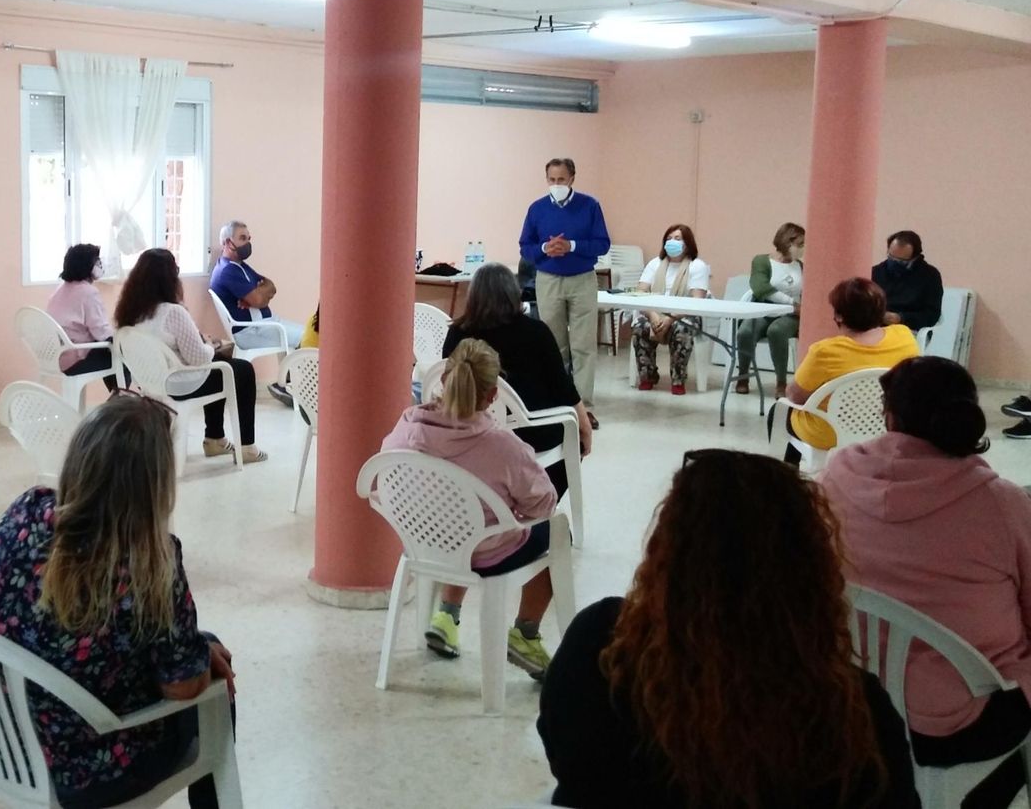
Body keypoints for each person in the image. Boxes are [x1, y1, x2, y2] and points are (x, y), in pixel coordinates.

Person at [538, 449, 919, 809]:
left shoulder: (598, 651)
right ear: (810, 571)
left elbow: (566, 762)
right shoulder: (856, 718)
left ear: (666, 551)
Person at [0, 394, 236, 808]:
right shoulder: (150, 563)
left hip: (0, 736)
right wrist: (200, 656)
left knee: (195, 646)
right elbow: (183, 688)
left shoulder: (26, 510)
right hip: (84, 771)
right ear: (155, 485)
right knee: (209, 673)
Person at [824, 357, 1031, 809]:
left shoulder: (836, 476)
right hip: (960, 722)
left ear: (889, 416)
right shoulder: (1003, 505)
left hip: (845, 704)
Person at [383, 339, 563, 679]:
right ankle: (525, 635)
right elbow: (544, 504)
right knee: (554, 532)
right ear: (493, 395)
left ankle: (447, 615)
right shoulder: (502, 447)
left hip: (423, 543)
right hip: (482, 551)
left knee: (467, 521)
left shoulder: (407, 425)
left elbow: (382, 480)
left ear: (444, 380)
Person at [442, 262, 592, 496]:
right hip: (532, 434)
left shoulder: (457, 334)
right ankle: (538, 509)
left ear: (473, 296)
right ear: (514, 293)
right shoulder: (536, 332)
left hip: (470, 433)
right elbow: (563, 387)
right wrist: (584, 427)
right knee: (573, 440)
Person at [117, 248, 265, 464]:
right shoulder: (172, 312)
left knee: (223, 367)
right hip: (179, 384)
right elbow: (199, 359)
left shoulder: (130, 313)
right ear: (169, 278)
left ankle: (216, 439)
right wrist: (210, 345)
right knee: (241, 370)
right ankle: (245, 446)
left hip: (151, 382)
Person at [784, 277, 919, 459]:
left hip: (832, 432)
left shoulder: (825, 351)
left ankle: (789, 479)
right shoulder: (904, 336)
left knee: (782, 414)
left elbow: (795, 396)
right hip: (886, 425)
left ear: (839, 315)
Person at [519, 158, 610, 426]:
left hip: (582, 279)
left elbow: (602, 244)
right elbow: (525, 246)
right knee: (554, 345)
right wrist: (545, 250)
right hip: (548, 279)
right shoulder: (537, 209)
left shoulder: (590, 206)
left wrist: (570, 246)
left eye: (561, 180)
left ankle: (586, 407)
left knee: (583, 346)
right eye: (552, 180)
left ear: (572, 179)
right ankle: (557, 403)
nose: (556, 184)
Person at [208, 220, 301, 404]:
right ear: (227, 242)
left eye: (249, 238)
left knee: (306, 334)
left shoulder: (240, 266)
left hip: (267, 323)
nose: (248, 243)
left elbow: (271, 286)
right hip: (252, 331)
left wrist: (260, 294)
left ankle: (286, 384)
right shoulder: (227, 271)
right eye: (242, 238)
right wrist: (258, 297)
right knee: (307, 338)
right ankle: (298, 390)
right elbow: (258, 300)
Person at [630, 224, 711, 395]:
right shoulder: (655, 264)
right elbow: (640, 293)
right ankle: (648, 376)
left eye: (677, 238)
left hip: (684, 314)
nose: (671, 242)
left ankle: (678, 379)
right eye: (668, 238)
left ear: (687, 244)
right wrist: (652, 315)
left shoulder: (697, 266)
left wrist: (670, 318)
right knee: (640, 327)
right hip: (654, 311)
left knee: (682, 329)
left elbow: (697, 301)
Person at [735, 222, 805, 398]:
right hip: (764, 311)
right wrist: (791, 304)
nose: (802, 249)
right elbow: (760, 288)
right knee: (745, 332)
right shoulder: (762, 261)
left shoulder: (801, 266)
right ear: (786, 242)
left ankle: (781, 382)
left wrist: (796, 308)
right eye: (799, 244)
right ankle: (743, 375)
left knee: (777, 331)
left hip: (790, 316)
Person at [46, 243, 120, 392]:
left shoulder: (61, 289)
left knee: (112, 351)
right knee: (123, 356)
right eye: (97, 261)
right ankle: (120, 400)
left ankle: (117, 397)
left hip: (56, 357)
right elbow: (102, 333)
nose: (100, 265)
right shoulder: (88, 292)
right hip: (76, 358)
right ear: (86, 265)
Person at [871, 230, 943, 332]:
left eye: (901, 261)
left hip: (909, 329)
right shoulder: (876, 272)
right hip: (875, 327)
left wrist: (901, 318)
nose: (894, 263)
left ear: (915, 258)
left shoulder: (930, 276)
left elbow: (931, 315)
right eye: (891, 257)